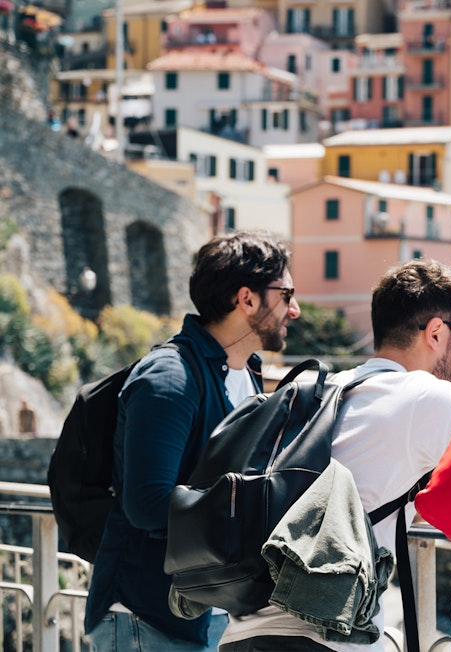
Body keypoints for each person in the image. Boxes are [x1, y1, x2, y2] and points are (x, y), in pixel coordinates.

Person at [219, 258, 451, 651]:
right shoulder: (429, 397)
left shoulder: (325, 391)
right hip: (324, 638)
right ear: (435, 332)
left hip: (242, 635)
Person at [85, 232, 301, 652]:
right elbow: (148, 504)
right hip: (145, 616)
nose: (294, 309)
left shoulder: (247, 374)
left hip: (204, 613)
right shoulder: (170, 378)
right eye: (286, 293)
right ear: (248, 299)